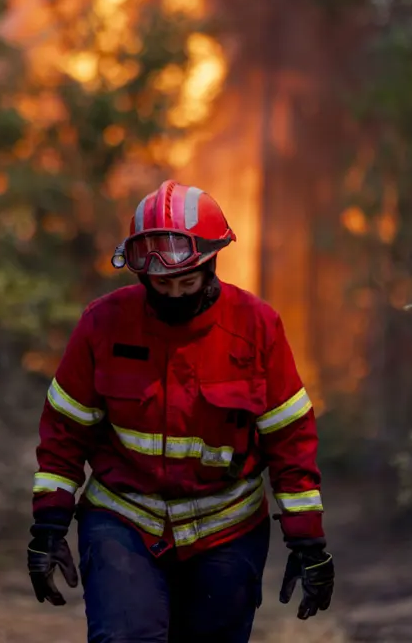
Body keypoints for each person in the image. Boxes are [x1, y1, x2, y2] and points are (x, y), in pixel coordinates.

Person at [26, 179, 335, 642]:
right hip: (123, 519)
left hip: (226, 530)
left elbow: (289, 441)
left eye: (186, 282)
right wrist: (48, 525)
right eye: (161, 284)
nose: (173, 295)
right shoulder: (102, 324)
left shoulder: (257, 328)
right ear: (140, 275)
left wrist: (308, 542)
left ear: (212, 264)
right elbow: (63, 434)